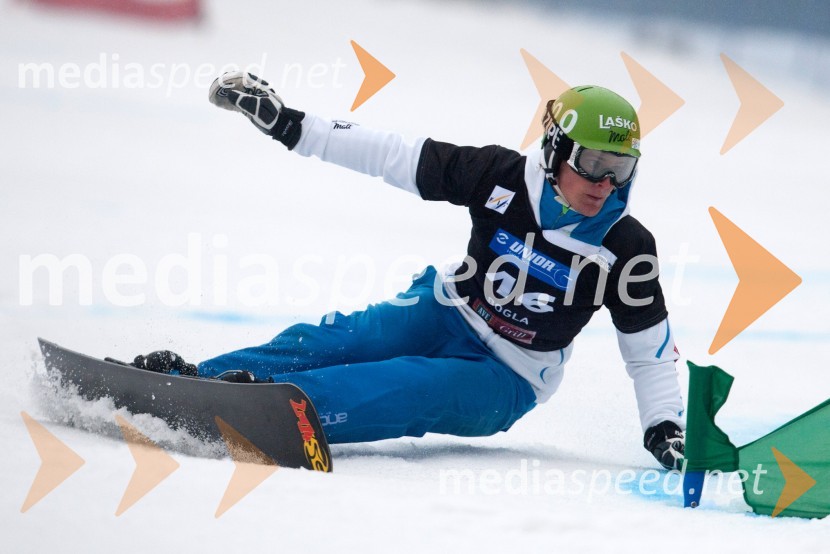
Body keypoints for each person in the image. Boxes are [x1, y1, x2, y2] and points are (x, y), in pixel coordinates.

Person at [131, 71, 685, 470]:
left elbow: (650, 352)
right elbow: (394, 155)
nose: (605, 184)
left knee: (404, 386)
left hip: (509, 377)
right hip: (445, 310)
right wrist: (293, 127)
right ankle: (192, 380)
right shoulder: (499, 175)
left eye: (621, 169)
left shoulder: (626, 246)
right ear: (556, 150)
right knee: (342, 339)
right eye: (593, 164)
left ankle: (266, 406)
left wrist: (666, 428)